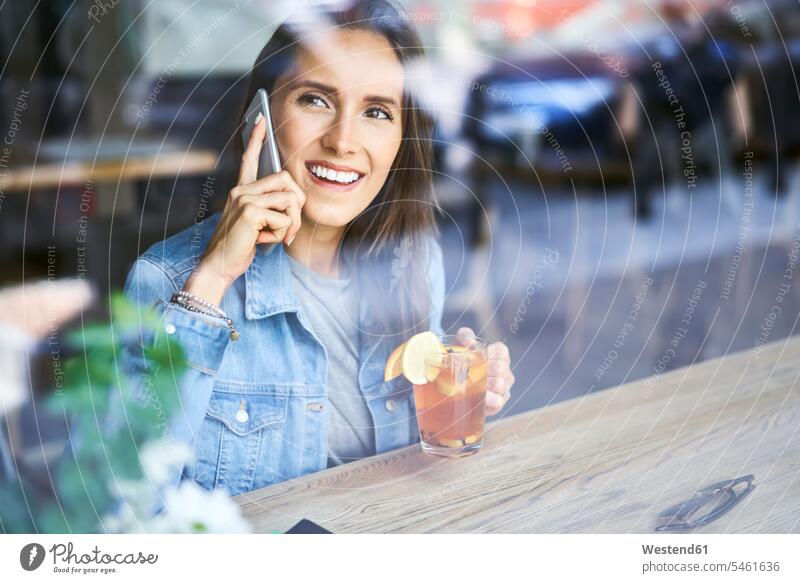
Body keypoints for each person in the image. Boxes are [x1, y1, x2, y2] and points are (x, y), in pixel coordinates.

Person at [123, 0, 515, 497]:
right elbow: (120, 505)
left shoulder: (414, 260)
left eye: (377, 111)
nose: (343, 141)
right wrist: (211, 283)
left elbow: (414, 464)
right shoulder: (170, 280)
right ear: (260, 119)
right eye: (315, 100)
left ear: (401, 138)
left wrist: (455, 386)